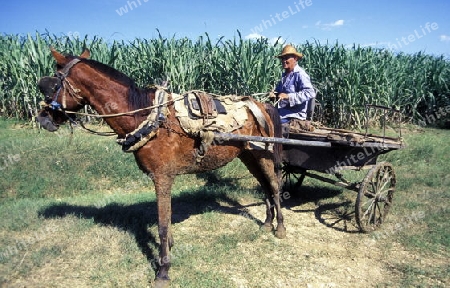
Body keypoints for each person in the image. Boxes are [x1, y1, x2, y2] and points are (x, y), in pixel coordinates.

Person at [272, 44, 316, 133]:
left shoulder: (300, 74)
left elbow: (310, 92)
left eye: (287, 58)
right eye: (282, 59)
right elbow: (280, 93)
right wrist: (274, 94)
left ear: (295, 58)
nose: (284, 61)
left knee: (271, 124)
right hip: (282, 112)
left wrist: (289, 97)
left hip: (293, 115)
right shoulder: (284, 75)